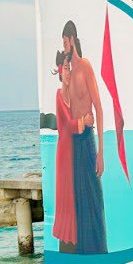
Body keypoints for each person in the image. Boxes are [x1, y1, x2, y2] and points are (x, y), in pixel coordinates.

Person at [60, 21, 108, 255]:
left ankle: (98, 250)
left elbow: (98, 107)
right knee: (77, 196)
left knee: (93, 195)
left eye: (65, 43)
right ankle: (81, 252)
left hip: (88, 139)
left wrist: (101, 152)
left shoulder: (85, 66)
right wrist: (64, 77)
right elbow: (66, 107)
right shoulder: (69, 72)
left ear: (72, 40)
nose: (64, 47)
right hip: (74, 141)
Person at [51, 51, 79, 251]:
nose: (69, 73)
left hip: (74, 150)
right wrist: (84, 121)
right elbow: (68, 125)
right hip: (64, 151)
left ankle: (74, 237)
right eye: (66, 69)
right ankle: (66, 237)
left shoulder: (74, 97)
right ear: (60, 71)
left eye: (71, 69)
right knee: (65, 194)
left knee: (73, 193)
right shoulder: (59, 95)